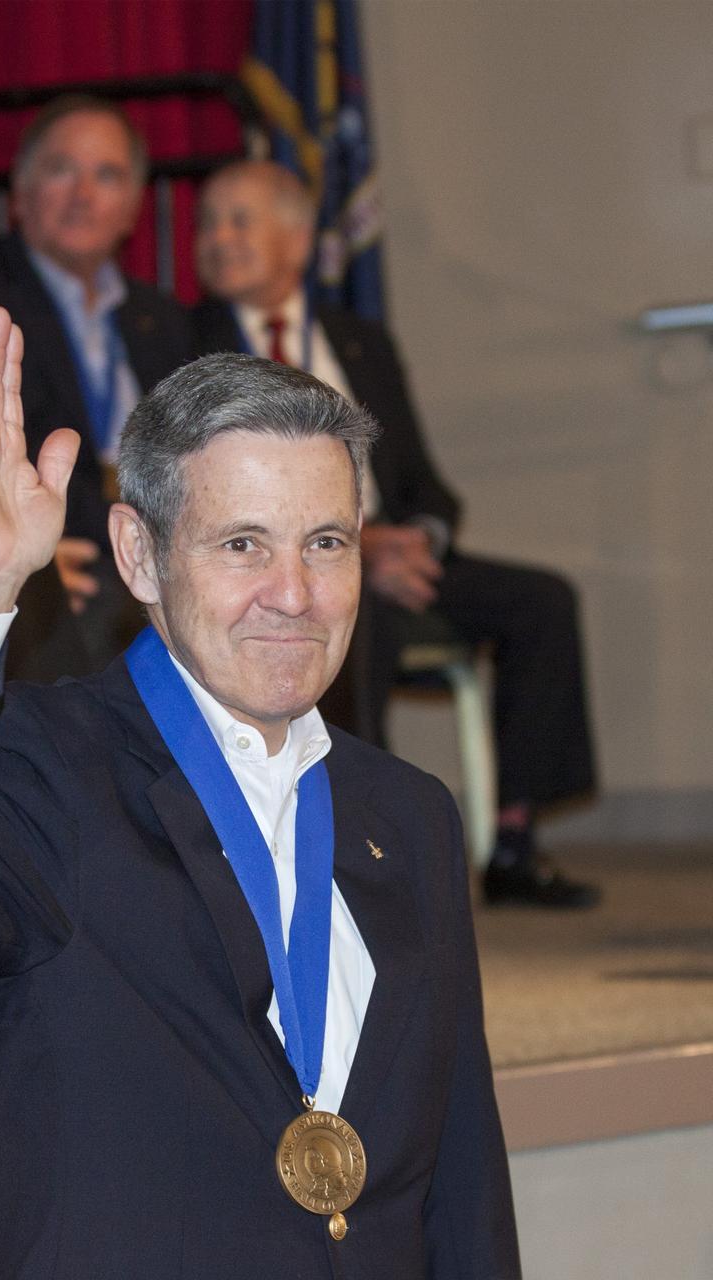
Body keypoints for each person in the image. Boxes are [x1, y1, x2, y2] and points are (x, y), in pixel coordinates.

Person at [0, 308, 520, 1279]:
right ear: (138, 555)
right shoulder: (39, 766)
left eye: (328, 542)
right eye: (243, 544)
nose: (294, 593)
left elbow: (461, 1176)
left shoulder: (409, 810)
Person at [193, 159, 598, 909]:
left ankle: (513, 839)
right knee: (348, 608)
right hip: (284, 561)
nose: (217, 239)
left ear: (298, 236)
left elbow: (429, 485)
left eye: (239, 220)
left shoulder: (360, 341)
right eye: (207, 223)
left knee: (543, 601)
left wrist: (419, 544)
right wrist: (350, 548)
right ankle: (355, 844)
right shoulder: (189, 347)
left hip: (395, 552)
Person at [0, 94, 197, 644]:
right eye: (62, 170)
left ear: (133, 205)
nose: (83, 194)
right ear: (21, 192)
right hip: (56, 549)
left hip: (166, 546)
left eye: (107, 175)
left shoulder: (162, 318)